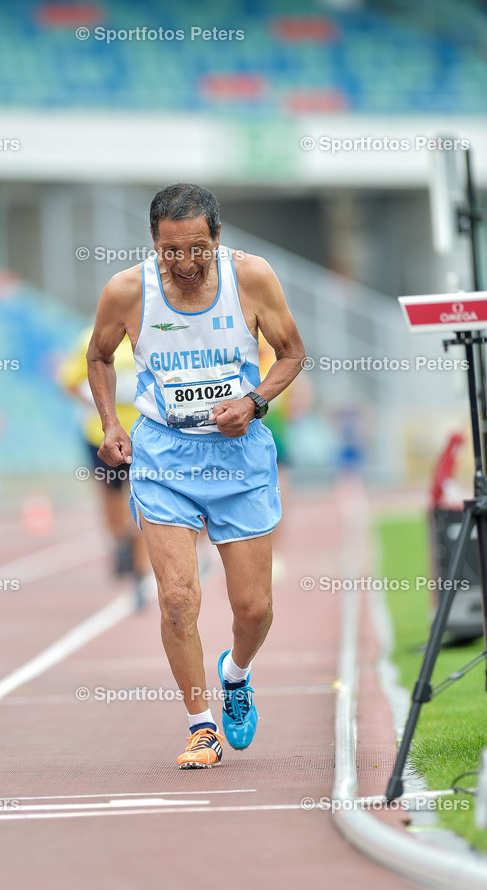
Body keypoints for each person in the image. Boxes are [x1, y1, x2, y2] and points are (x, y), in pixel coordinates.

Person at [87, 183, 305, 768]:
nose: (184, 264)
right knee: (179, 600)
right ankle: (200, 724)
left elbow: (291, 353)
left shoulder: (252, 278)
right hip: (164, 459)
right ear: (153, 244)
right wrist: (112, 423)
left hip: (238, 459)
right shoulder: (127, 291)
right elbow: (99, 355)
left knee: (253, 608)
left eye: (196, 250)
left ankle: (235, 675)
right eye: (169, 251)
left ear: (217, 239)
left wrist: (255, 402)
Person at [59, 325, 148, 588]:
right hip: (101, 435)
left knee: (143, 494)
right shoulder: (90, 337)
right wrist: (100, 406)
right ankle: (120, 541)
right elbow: (68, 381)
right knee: (110, 493)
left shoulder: (148, 332)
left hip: (142, 435)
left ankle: (141, 562)